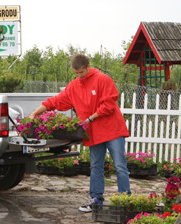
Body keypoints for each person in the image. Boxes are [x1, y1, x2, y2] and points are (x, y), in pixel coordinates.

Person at [28, 54, 130, 212]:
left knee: (120, 166)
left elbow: (108, 105)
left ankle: (125, 201)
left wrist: (89, 119)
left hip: (113, 130)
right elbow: (55, 101)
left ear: (88, 67)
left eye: (81, 72)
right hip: (94, 133)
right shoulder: (74, 86)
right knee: (96, 166)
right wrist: (35, 113)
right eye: (76, 73)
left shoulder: (103, 79)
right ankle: (96, 199)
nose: (79, 76)